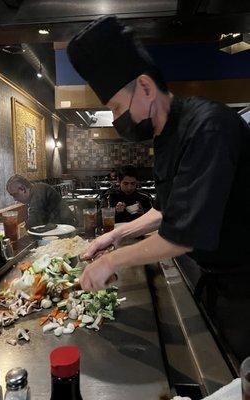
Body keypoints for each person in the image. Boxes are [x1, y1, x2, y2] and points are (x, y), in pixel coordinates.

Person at [67, 16, 250, 361]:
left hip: (244, 286)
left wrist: (111, 263)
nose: (118, 119)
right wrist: (115, 237)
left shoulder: (208, 127)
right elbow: (167, 209)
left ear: (146, 88)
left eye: (118, 107)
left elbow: (182, 235)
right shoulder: (166, 136)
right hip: (215, 280)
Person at [6, 175, 76, 229]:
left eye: (15, 194)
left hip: (67, 231)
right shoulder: (35, 191)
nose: (15, 199)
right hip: (59, 229)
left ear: (23, 189)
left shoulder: (38, 191)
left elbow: (33, 223)